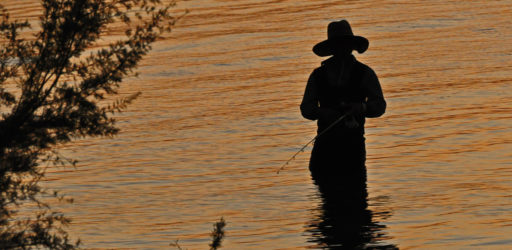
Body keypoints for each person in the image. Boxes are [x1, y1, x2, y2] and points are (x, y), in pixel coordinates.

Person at [300, 20, 386, 197]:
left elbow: (379, 106)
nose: (342, 49)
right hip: (325, 149)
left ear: (351, 46)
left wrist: (361, 108)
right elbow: (306, 109)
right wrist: (324, 113)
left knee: (354, 199)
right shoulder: (318, 76)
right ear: (332, 48)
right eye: (338, 45)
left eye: (345, 44)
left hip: (352, 150)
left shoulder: (365, 73)